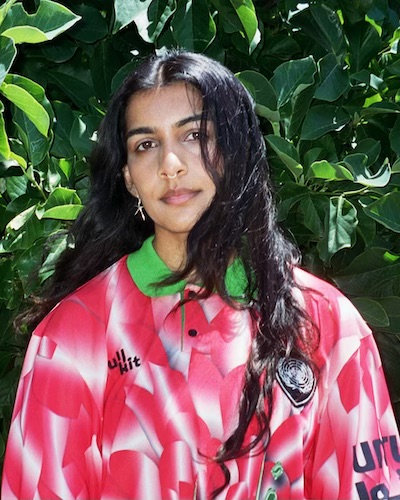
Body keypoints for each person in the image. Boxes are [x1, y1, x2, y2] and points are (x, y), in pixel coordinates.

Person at [2, 49, 400, 500]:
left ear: (236, 151)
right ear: (129, 178)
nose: (171, 164)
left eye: (194, 135)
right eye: (145, 144)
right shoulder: (74, 337)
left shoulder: (329, 325)